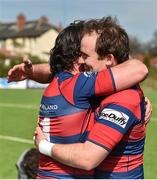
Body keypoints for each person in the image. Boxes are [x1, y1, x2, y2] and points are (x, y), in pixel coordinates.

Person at [9, 17, 149, 179]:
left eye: (85, 55)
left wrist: (44, 145)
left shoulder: (123, 98)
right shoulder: (90, 86)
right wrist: (31, 72)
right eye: (79, 55)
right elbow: (65, 71)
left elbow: (87, 158)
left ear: (109, 59)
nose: (81, 61)